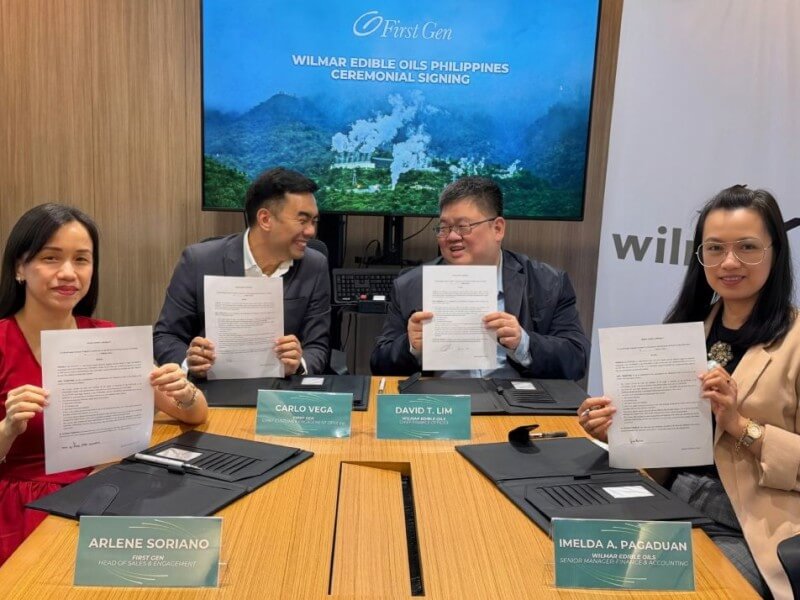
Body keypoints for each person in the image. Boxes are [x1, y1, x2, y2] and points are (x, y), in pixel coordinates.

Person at [578, 185, 798, 598]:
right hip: (664, 498)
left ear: (775, 252)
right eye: (714, 248)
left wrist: (740, 425)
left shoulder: (796, 341)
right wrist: (618, 433)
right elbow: (666, 442)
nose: (729, 261)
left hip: (747, 524)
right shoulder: (686, 330)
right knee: (576, 568)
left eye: (747, 247)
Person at [0, 203, 208, 566]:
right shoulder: (2, 341)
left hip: (107, 491)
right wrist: (7, 428)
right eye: (51, 258)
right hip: (27, 505)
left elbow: (193, 415)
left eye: (82, 260)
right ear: (20, 266)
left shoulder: (106, 336)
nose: (69, 273)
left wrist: (183, 389)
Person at [370, 176, 589, 379]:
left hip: (516, 407)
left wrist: (523, 343)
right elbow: (379, 365)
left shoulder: (547, 283)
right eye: (444, 228)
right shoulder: (410, 285)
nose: (452, 237)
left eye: (464, 227)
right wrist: (411, 346)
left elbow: (576, 360)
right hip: (440, 407)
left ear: (498, 229)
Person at [153, 167, 331, 376]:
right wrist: (189, 362)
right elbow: (165, 336)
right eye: (303, 221)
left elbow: (318, 346)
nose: (311, 231)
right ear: (265, 219)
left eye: (314, 221)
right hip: (212, 389)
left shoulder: (315, 265)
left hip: (283, 391)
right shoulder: (199, 261)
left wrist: (299, 363)